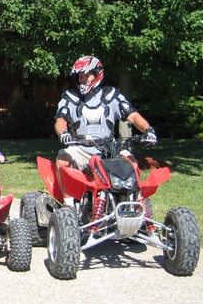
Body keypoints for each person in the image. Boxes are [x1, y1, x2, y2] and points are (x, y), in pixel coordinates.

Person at [55, 55, 157, 206]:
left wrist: (149, 130)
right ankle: (69, 207)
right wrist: (63, 133)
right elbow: (60, 120)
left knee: (132, 162)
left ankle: (135, 203)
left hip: (110, 149)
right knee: (62, 160)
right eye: (80, 77)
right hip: (80, 149)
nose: (82, 80)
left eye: (86, 76)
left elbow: (133, 116)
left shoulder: (112, 96)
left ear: (96, 74)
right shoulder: (70, 97)